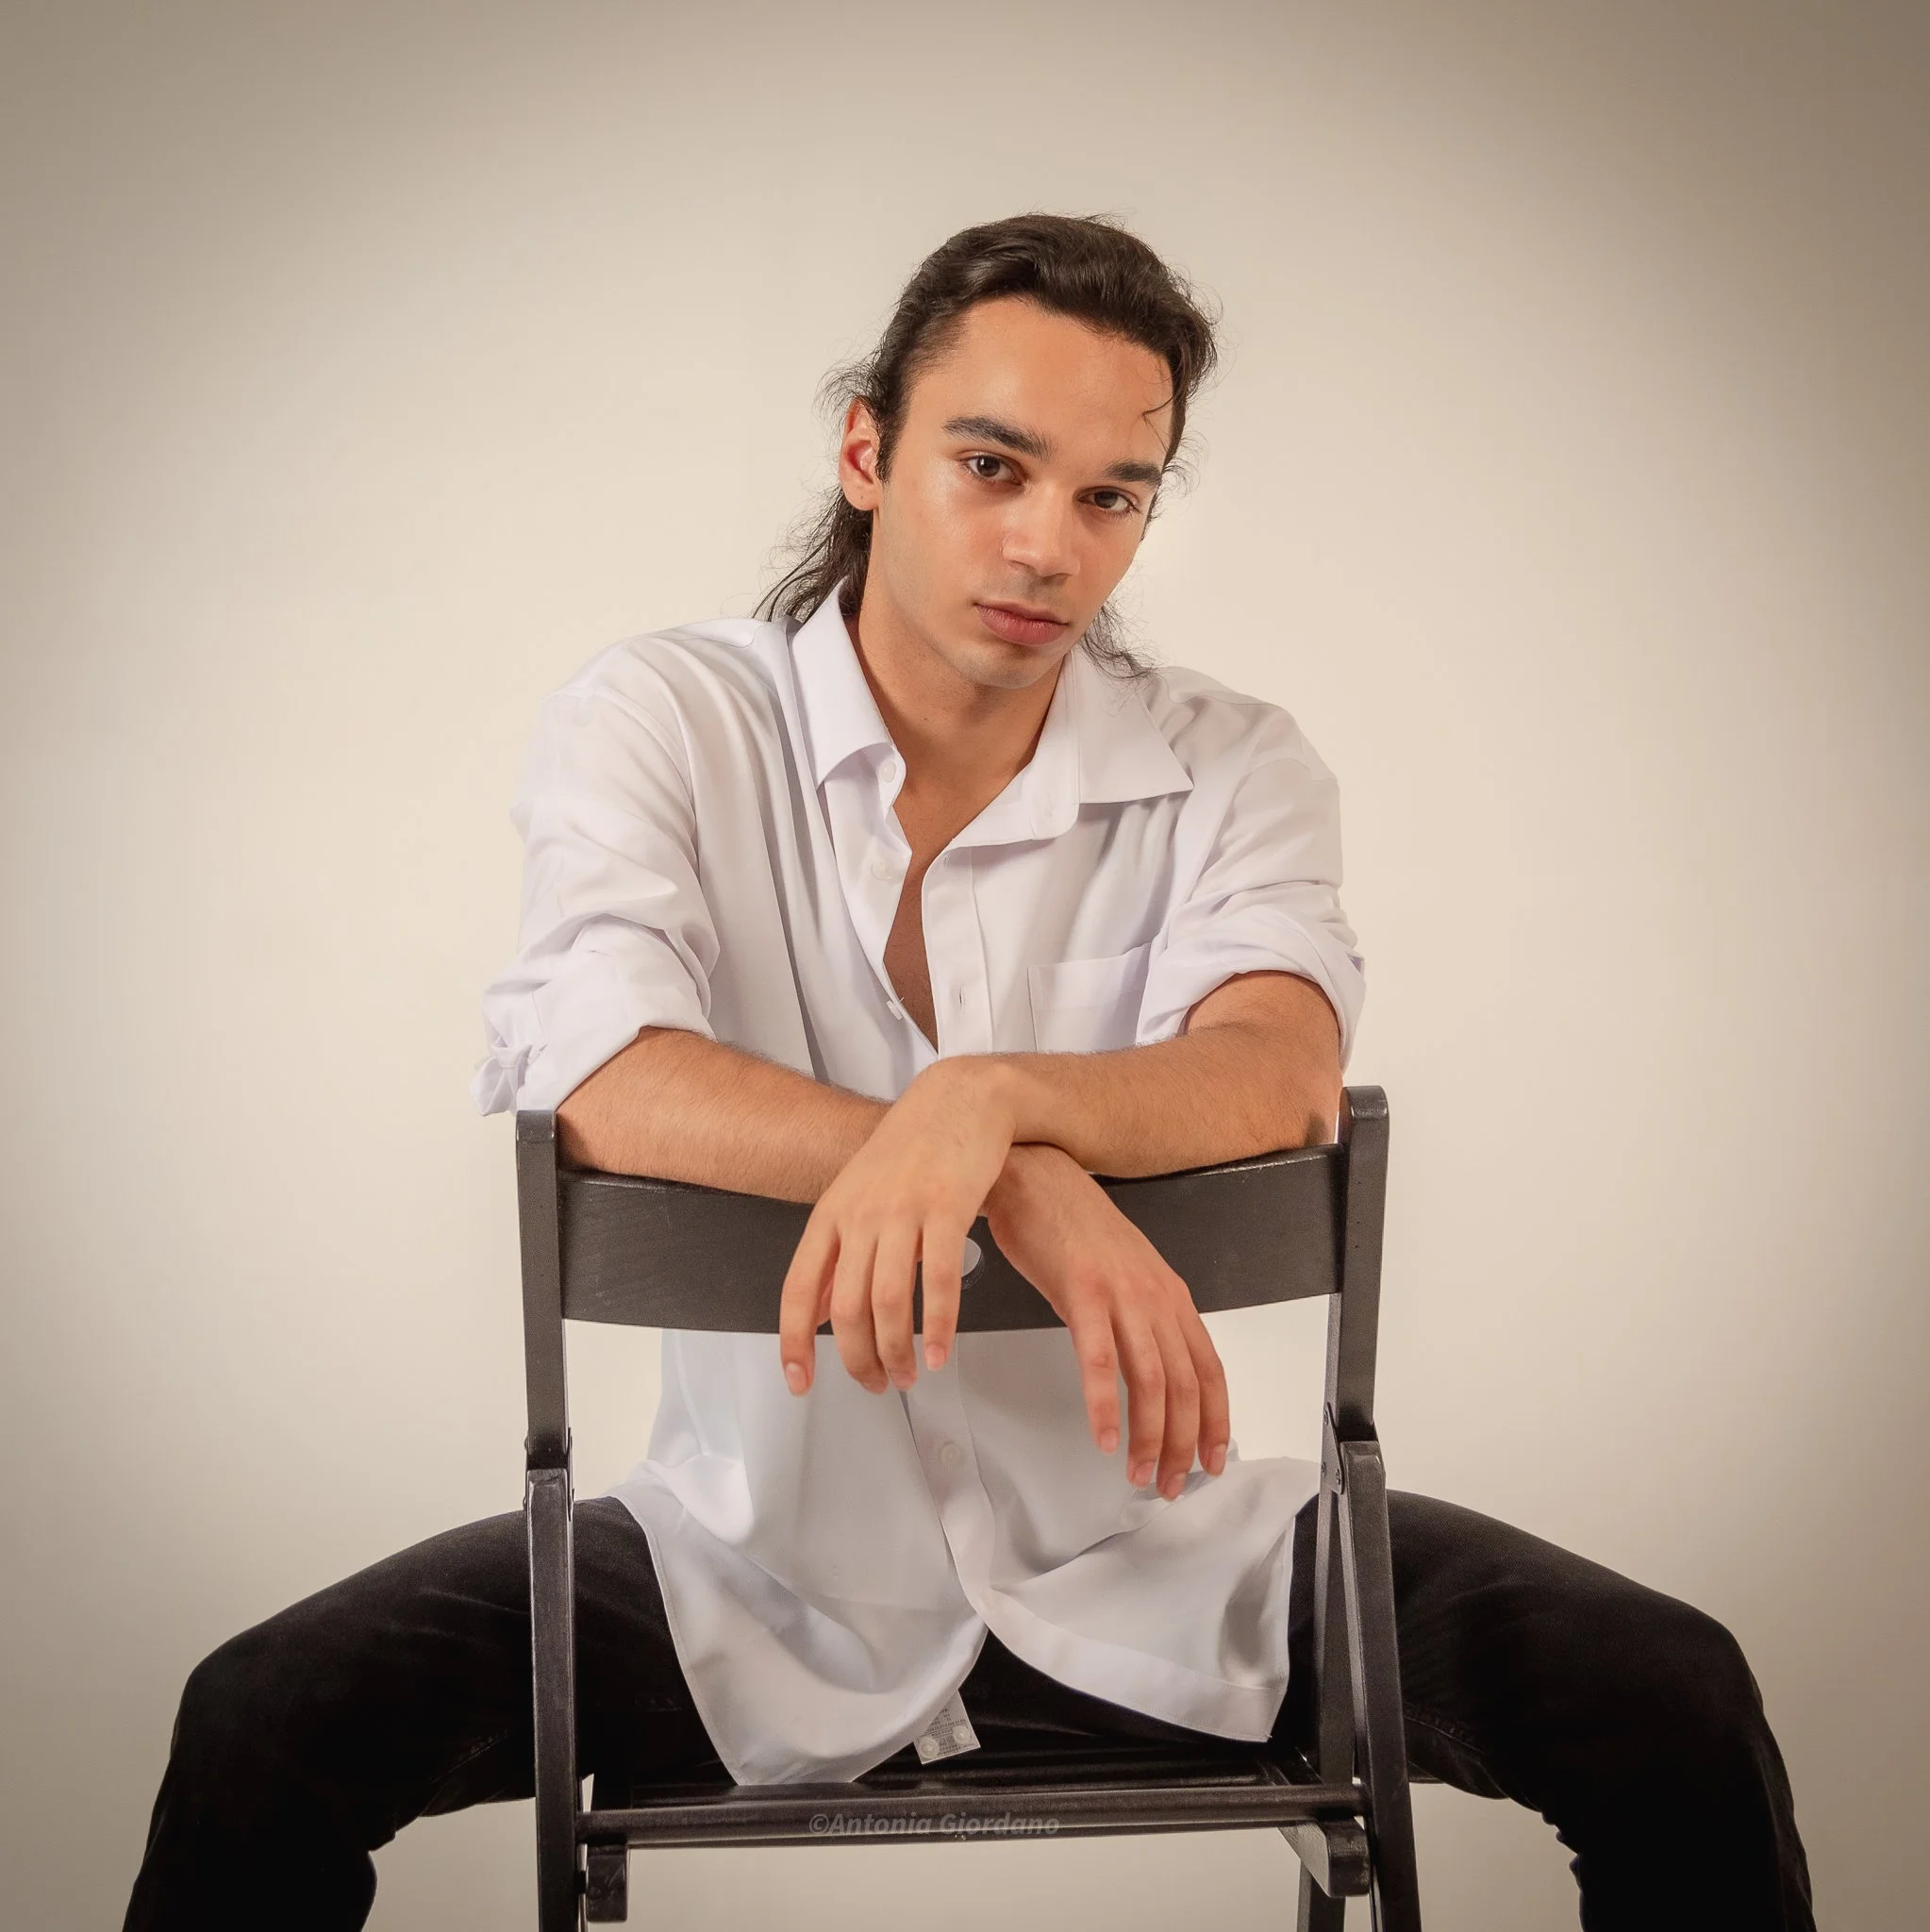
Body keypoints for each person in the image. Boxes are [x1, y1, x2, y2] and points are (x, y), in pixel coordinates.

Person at [124, 214, 1812, 1930]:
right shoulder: (664, 722)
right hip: (741, 1582)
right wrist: (1021, 1178)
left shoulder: (1231, 766)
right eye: (992, 465)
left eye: (1111, 494)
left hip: (1174, 1568)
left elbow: (1278, 1067)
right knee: (262, 1722)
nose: (1047, 545)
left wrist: (983, 1097)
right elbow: (605, 1074)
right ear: (866, 449)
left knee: (1666, 1693)